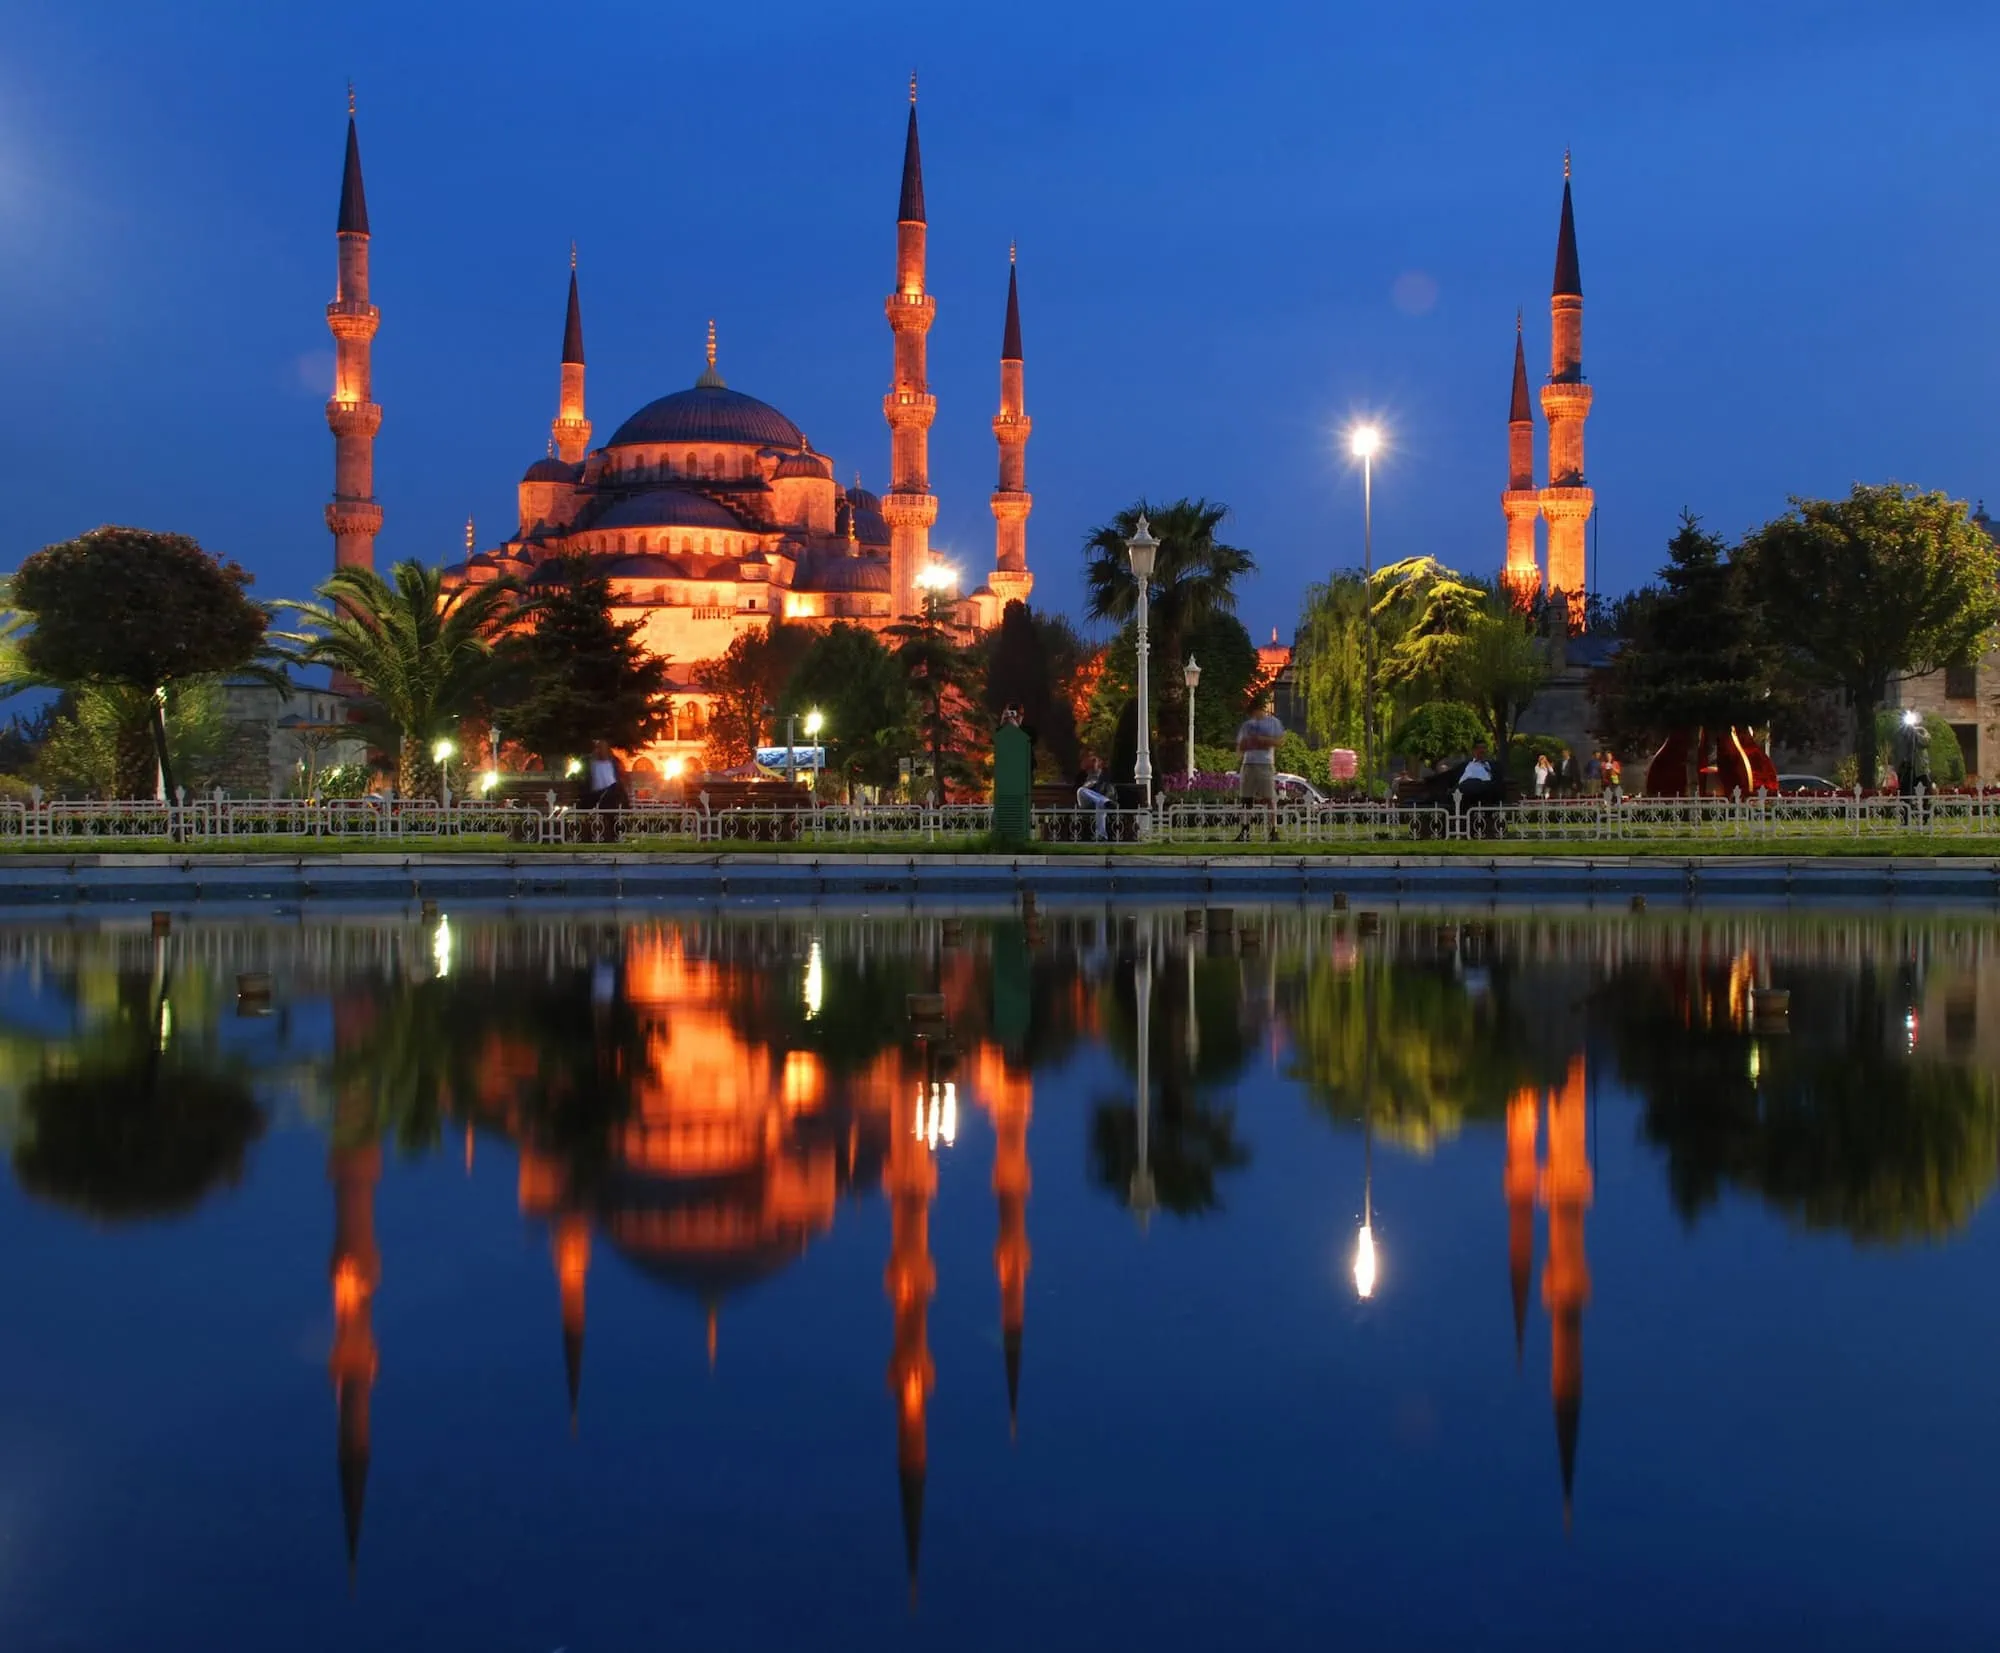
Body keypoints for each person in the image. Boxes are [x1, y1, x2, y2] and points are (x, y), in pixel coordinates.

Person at [1235, 694, 1284, 841]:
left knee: (1269, 798)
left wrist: (1263, 740)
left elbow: (1280, 741)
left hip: (1265, 764)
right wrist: (1247, 743)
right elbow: (1240, 747)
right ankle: (1245, 830)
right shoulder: (1247, 726)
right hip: (1248, 764)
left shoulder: (1273, 723)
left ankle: (1273, 830)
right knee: (1246, 799)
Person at [581, 740, 628, 811]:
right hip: (597, 797)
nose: (601, 750)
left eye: (603, 748)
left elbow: (619, 778)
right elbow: (588, 782)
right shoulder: (591, 763)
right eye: (599, 748)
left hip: (611, 796)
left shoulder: (613, 762)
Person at [1076, 754, 1112, 841]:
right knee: (1081, 790)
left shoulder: (1104, 776)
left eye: (1095, 762)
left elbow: (1109, 788)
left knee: (1100, 803)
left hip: (1098, 800)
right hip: (1085, 801)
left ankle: (1101, 835)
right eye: (1091, 764)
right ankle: (1105, 801)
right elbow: (1075, 789)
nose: (1093, 766)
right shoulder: (1082, 775)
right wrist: (1086, 786)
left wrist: (1096, 786)